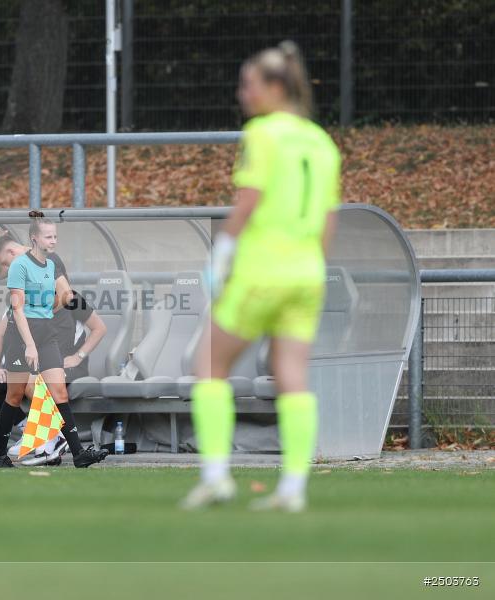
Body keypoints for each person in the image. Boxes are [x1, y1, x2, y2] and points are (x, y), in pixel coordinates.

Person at [181, 41, 341, 512]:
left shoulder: (264, 134)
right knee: (293, 375)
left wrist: (221, 255)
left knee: (209, 365)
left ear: (275, 86)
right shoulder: (321, 141)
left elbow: (248, 200)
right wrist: (313, 266)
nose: (242, 94)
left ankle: (215, 477)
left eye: (249, 84)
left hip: (263, 269)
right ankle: (292, 488)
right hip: (307, 272)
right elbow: (329, 218)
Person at [0, 211, 108, 469]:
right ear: (34, 238)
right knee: (14, 395)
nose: (53, 241)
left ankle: (78, 454)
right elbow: (18, 309)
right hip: (21, 336)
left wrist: (45, 312)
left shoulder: (52, 264)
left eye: (55, 236)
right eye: (48, 237)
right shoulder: (20, 265)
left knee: (59, 391)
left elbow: (66, 295)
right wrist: (30, 343)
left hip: (46, 334)